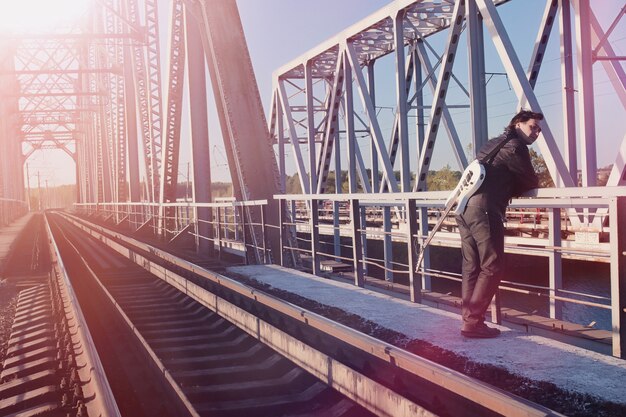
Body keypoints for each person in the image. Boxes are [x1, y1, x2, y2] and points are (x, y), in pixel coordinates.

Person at [456, 110, 542, 338]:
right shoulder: (515, 146)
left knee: (471, 265)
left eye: (539, 129)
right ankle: (473, 323)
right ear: (518, 124)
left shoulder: (492, 143)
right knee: (492, 265)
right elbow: (530, 180)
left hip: (464, 207)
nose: (537, 133)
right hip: (485, 209)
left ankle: (469, 321)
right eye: (533, 127)